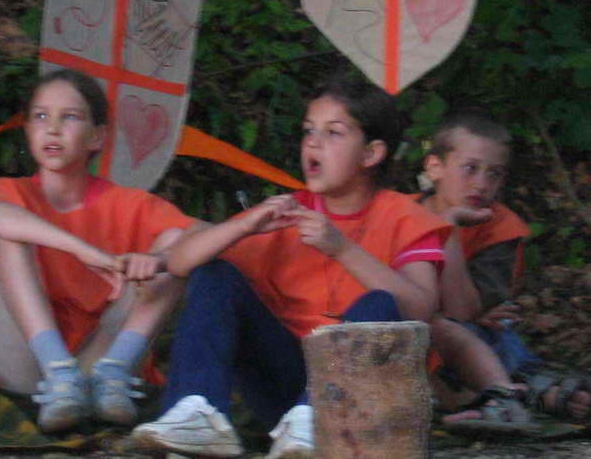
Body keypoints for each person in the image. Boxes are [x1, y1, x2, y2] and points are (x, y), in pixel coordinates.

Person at [130, 76, 452, 458]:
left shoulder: (405, 216)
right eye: (308, 131)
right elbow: (182, 264)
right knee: (215, 274)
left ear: (370, 153)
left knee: (379, 304)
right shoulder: (286, 213)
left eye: (333, 133)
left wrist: (343, 249)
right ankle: (196, 411)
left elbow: (421, 310)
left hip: (363, 400)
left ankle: (315, 419)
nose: (313, 143)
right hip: (286, 400)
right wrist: (243, 226)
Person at [0, 68, 200, 432]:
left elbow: (202, 235)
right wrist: (82, 250)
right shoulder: (12, 191)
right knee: (9, 234)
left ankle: (116, 371)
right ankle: (59, 374)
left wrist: (158, 260)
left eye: (70, 117)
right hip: (27, 363)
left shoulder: (127, 202)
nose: (53, 129)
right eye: (40, 116)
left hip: (99, 361)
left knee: (178, 242)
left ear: (97, 137)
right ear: (28, 131)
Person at [416, 111, 590, 424]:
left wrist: (448, 230)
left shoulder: (501, 227)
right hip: (412, 325)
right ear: (435, 167)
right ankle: (532, 392)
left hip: (467, 332)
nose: (482, 184)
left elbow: (462, 312)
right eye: (470, 169)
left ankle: (527, 391)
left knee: (484, 331)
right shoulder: (399, 211)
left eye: (494, 174)